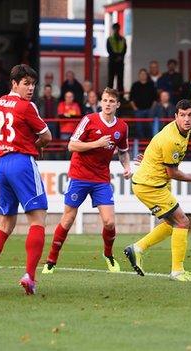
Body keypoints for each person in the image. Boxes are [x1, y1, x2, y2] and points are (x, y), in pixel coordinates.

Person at [0, 64, 52, 295]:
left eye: (33, 84)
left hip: (3, 164)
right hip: (22, 162)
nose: (30, 88)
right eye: (26, 83)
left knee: (5, 223)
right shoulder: (27, 107)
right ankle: (29, 276)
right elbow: (46, 136)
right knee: (37, 220)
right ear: (14, 83)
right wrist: (35, 145)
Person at [43, 87, 130, 274]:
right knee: (67, 220)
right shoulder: (89, 120)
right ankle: (51, 260)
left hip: (101, 179)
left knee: (109, 223)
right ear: (101, 102)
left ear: (117, 105)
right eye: (105, 100)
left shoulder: (122, 127)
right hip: (79, 176)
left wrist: (127, 167)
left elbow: (123, 151)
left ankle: (108, 255)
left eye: (111, 101)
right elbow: (71, 145)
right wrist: (96, 144)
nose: (107, 104)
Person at [123, 100, 191, 281]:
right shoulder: (172, 139)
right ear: (176, 117)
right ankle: (177, 271)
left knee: (171, 224)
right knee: (182, 221)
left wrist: (150, 158)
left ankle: (137, 248)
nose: (186, 119)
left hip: (154, 182)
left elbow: (157, 150)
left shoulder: (183, 131)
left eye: (190, 114)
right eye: (182, 115)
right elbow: (172, 172)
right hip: (150, 186)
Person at [129, 69, 156, 138]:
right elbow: (131, 99)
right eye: (141, 74)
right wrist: (135, 108)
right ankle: (141, 141)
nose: (143, 75)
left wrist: (152, 109)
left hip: (149, 110)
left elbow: (155, 99)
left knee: (150, 126)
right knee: (139, 127)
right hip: (138, 110)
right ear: (139, 75)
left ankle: (150, 140)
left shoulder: (151, 84)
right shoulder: (135, 85)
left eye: (144, 74)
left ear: (147, 75)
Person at [106, 23, 127, 94]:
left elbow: (124, 50)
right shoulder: (109, 39)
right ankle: (109, 95)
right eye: (115, 29)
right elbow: (109, 50)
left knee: (120, 80)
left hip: (120, 62)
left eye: (117, 28)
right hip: (112, 62)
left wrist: (120, 57)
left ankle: (121, 96)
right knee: (110, 80)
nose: (116, 30)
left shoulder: (123, 39)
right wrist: (116, 57)